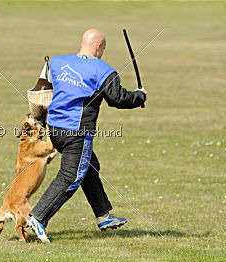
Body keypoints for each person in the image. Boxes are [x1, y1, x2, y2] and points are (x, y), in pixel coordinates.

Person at [27, 29, 147, 243]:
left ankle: (104, 216)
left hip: (54, 128)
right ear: (99, 47)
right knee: (72, 175)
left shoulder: (57, 61)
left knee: (90, 167)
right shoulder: (103, 70)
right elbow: (118, 99)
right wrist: (139, 96)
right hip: (77, 132)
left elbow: (41, 86)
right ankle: (38, 217)